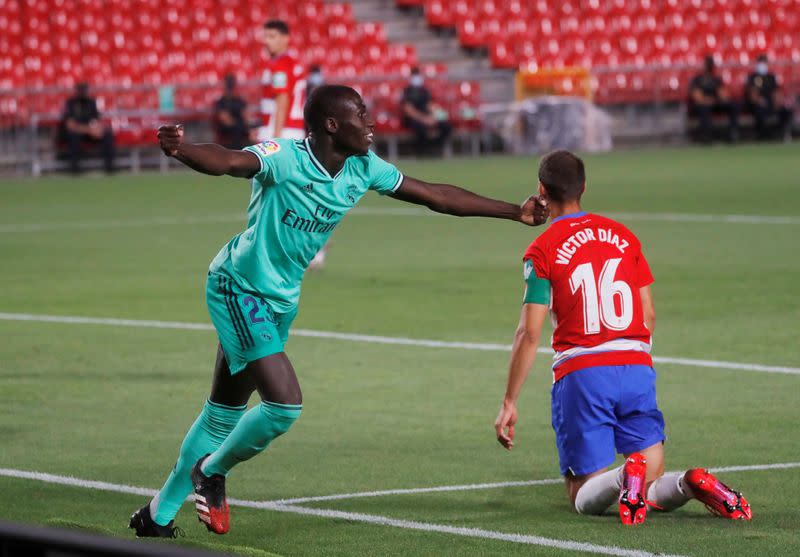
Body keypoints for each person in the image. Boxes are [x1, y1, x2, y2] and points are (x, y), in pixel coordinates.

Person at [128, 85, 549, 538]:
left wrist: (513, 213)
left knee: (222, 414)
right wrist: (182, 150)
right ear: (332, 125)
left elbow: (436, 196)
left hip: (279, 300)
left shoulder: (362, 167)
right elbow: (230, 161)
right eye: (361, 114)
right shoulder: (285, 157)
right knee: (284, 406)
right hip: (238, 288)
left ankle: (157, 517)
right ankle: (211, 472)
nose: (371, 123)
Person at [493, 150, 752, 525]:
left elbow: (529, 331)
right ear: (585, 187)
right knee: (651, 479)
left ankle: (621, 475)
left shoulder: (542, 249)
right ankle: (689, 482)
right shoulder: (624, 236)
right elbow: (648, 314)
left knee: (582, 493)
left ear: (541, 190)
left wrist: (509, 401)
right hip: (635, 365)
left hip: (583, 373)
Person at [257, 19, 306, 142]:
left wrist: (276, 136)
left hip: (280, 130)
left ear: (285, 38)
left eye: (272, 36)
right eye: (266, 36)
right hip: (295, 128)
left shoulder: (280, 66)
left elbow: (282, 98)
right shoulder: (292, 62)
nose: (267, 41)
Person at [59, 82, 115, 174]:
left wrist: (97, 129)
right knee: (73, 137)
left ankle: (109, 167)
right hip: (77, 132)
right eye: (81, 90)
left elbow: (97, 120)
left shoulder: (91, 102)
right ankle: (74, 168)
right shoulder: (71, 103)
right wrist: (88, 130)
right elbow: (70, 125)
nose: (83, 93)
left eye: (84, 90)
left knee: (107, 134)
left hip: (89, 133)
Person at [401, 67, 452, 156]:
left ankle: (436, 148)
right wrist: (424, 119)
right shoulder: (407, 91)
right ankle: (422, 151)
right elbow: (409, 110)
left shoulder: (424, 90)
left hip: (427, 117)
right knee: (419, 127)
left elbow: (430, 105)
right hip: (414, 119)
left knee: (445, 125)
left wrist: (434, 117)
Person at [688, 56, 739, 142]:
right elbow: (697, 97)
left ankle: (733, 133)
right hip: (702, 105)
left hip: (715, 102)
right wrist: (706, 100)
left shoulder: (716, 79)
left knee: (733, 105)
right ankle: (706, 136)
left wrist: (719, 98)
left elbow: (723, 95)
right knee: (704, 108)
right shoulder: (697, 79)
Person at [744, 54, 793, 140]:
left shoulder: (771, 77)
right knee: (759, 110)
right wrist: (759, 100)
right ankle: (761, 135)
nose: (763, 65)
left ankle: (782, 133)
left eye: (764, 62)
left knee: (786, 110)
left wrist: (777, 101)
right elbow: (752, 93)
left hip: (770, 102)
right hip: (757, 104)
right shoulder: (752, 77)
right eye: (761, 62)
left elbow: (777, 91)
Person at [212, 74, 250, 150]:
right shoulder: (221, 102)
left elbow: (246, 116)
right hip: (228, 129)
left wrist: (245, 125)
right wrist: (239, 124)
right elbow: (224, 119)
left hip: (240, 128)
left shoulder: (239, 101)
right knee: (237, 129)